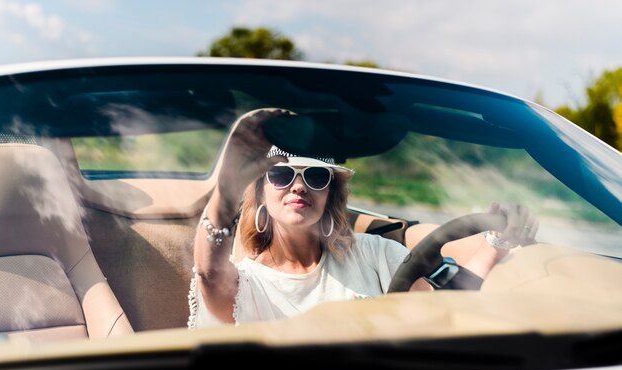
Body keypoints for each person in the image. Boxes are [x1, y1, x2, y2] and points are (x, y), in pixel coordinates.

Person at [189, 108, 539, 328]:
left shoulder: (374, 253)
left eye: (316, 176)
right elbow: (208, 274)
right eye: (281, 176)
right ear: (262, 193)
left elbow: (442, 310)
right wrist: (224, 198)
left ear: (330, 196)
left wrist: (495, 244)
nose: (298, 187)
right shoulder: (247, 283)